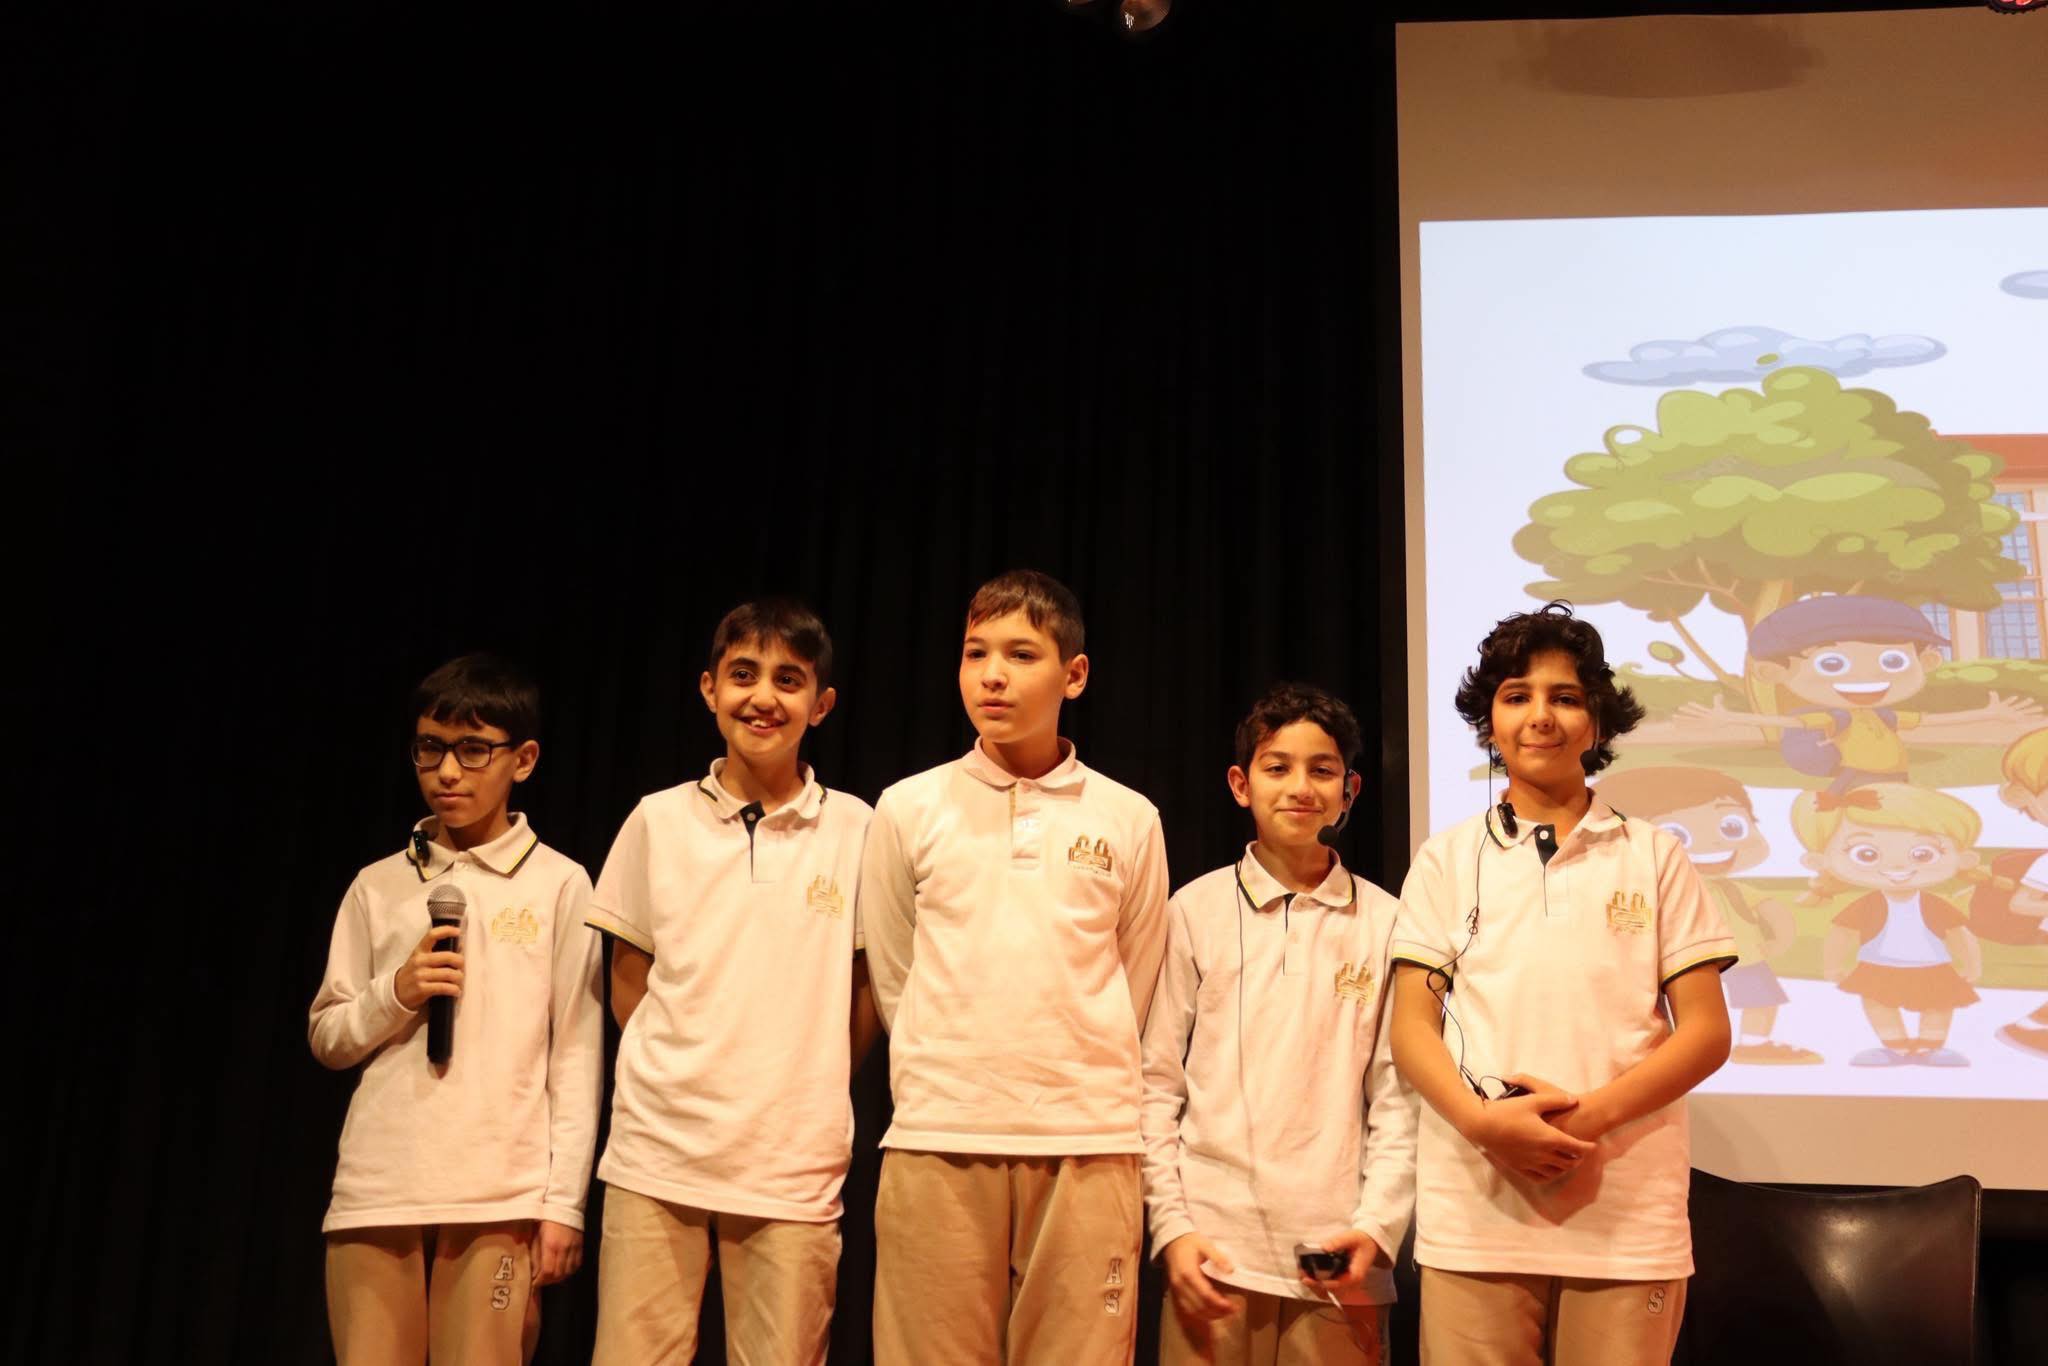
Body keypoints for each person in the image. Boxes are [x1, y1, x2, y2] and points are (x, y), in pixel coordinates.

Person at [1389, 603, 1735, 1366]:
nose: (1540, 716)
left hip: (1626, 1221)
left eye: (1565, 697)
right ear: (1488, 721)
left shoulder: (1655, 855)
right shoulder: (1445, 859)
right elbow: (1411, 1028)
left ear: (1597, 723)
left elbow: (1708, 1033)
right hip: (1474, 1215)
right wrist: (1484, 1124)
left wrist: (1585, 1120)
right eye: (1517, 696)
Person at [862, 568, 1171, 1365]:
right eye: (976, 653)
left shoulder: (1129, 817)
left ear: (1075, 674)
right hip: (939, 1131)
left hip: (1088, 1139)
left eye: (1021, 654)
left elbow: (1134, 979)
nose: (992, 675)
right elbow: (895, 974)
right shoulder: (908, 806)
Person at [586, 600, 875, 1366]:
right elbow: (628, 982)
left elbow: (865, 993)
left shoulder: (859, 829)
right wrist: (682, 1072)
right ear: (709, 688)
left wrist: (801, 1079)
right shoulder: (656, 819)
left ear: (822, 705)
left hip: (792, 1162)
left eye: (789, 679)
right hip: (658, 1155)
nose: (763, 697)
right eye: (744, 675)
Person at [310, 653, 604, 1365]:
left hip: (499, 1194)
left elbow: (576, 1051)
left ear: (522, 759)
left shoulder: (560, 883)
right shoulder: (377, 885)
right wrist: (397, 992)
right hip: (379, 1188)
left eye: (473, 750)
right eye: (430, 749)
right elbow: (328, 1034)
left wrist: (562, 1204)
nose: (447, 772)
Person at [1141, 682, 1416, 1365]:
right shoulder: (1193, 911)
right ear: (1241, 784)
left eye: (1322, 770)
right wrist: (1172, 1228)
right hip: (1214, 1251)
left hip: (1340, 1259)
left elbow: (1399, 1099)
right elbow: (1154, 1084)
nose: (1300, 787)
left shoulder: (1389, 921)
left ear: (1349, 791)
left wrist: (1376, 1228)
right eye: (1277, 767)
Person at [1593, 766, 1821, 1064]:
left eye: (1732, 826)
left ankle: (1754, 1043)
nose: (1714, 843)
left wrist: (1778, 941)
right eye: (1677, 833)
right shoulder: (1643, 890)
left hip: (1745, 955)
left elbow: (1774, 913)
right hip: (1666, 969)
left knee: (1760, 998)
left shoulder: (1735, 889)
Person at [1795, 783, 1985, 1067]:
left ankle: (1931, 1046)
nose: (1898, 868)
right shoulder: (1867, 905)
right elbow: (1842, 934)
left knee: (1939, 1003)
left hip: (1933, 964)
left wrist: (1971, 963)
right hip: (1878, 964)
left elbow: (1959, 934)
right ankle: (1894, 1046)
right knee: (1878, 1002)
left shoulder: (1934, 904)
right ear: (1822, 861)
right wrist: (1832, 965)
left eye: (1922, 854)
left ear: (1963, 858)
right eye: (1867, 854)